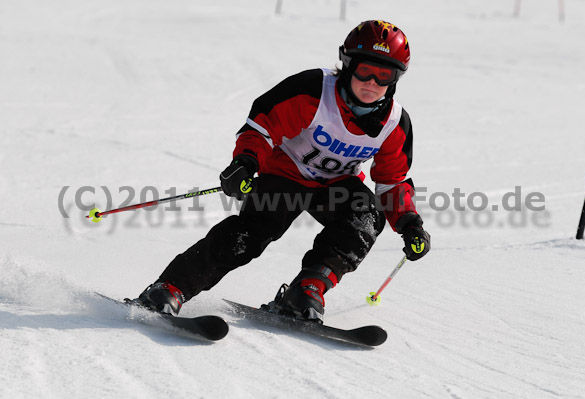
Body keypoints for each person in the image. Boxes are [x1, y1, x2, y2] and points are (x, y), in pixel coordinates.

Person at [132, 20, 431, 322]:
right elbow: (261, 129)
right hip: (284, 175)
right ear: (348, 64)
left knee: (365, 217)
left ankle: (306, 291)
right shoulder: (313, 91)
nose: (371, 83)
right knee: (250, 235)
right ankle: (170, 287)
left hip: (337, 186)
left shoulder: (394, 124)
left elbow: (392, 181)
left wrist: (409, 223)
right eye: (365, 70)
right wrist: (246, 163)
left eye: (384, 75)